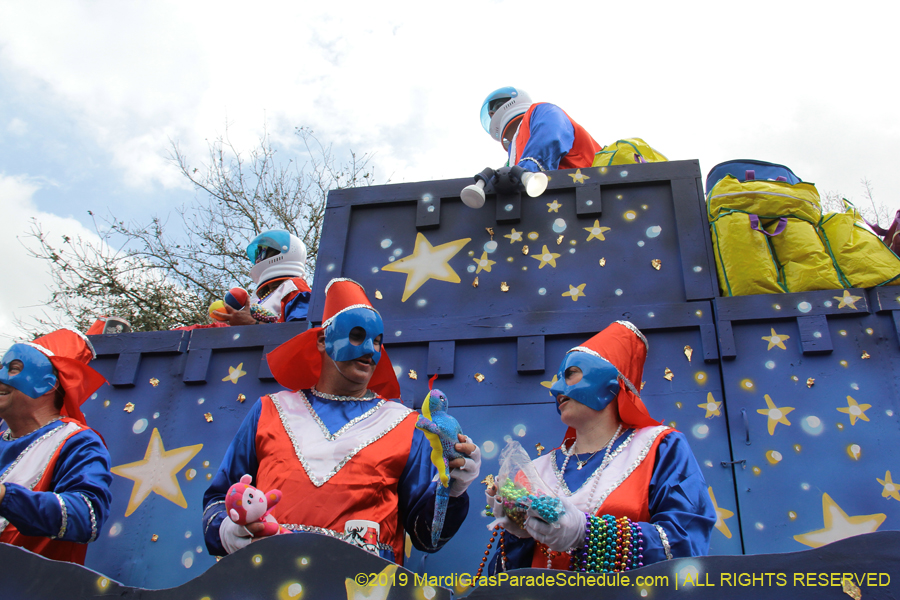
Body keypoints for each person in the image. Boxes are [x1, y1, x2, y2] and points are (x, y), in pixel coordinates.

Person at [202, 278, 481, 563]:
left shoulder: (405, 425)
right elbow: (218, 499)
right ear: (323, 340)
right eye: (357, 336)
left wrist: (453, 489)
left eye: (377, 341)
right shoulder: (270, 410)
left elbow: (428, 538)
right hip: (266, 580)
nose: (370, 351)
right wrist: (227, 530)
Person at [487, 321, 715, 572]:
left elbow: (686, 544)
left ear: (611, 385)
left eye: (571, 374)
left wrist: (588, 534)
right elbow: (506, 578)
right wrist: (518, 535)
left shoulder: (658, 448)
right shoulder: (535, 471)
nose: (555, 389)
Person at [0, 328, 112, 564]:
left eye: (13, 369)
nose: (1, 375)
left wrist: (5, 497)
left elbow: (87, 517)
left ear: (47, 385)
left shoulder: (77, 442)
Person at [480, 86, 602, 173]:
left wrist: (525, 170)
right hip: (556, 198)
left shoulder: (540, 111)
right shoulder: (513, 150)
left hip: (587, 187)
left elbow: (550, 137)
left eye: (498, 105)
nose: (492, 114)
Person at [213, 230, 312, 326]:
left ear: (285, 254)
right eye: (257, 254)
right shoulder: (259, 299)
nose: (258, 260)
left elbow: (300, 331)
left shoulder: (294, 286)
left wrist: (252, 323)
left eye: (263, 252)